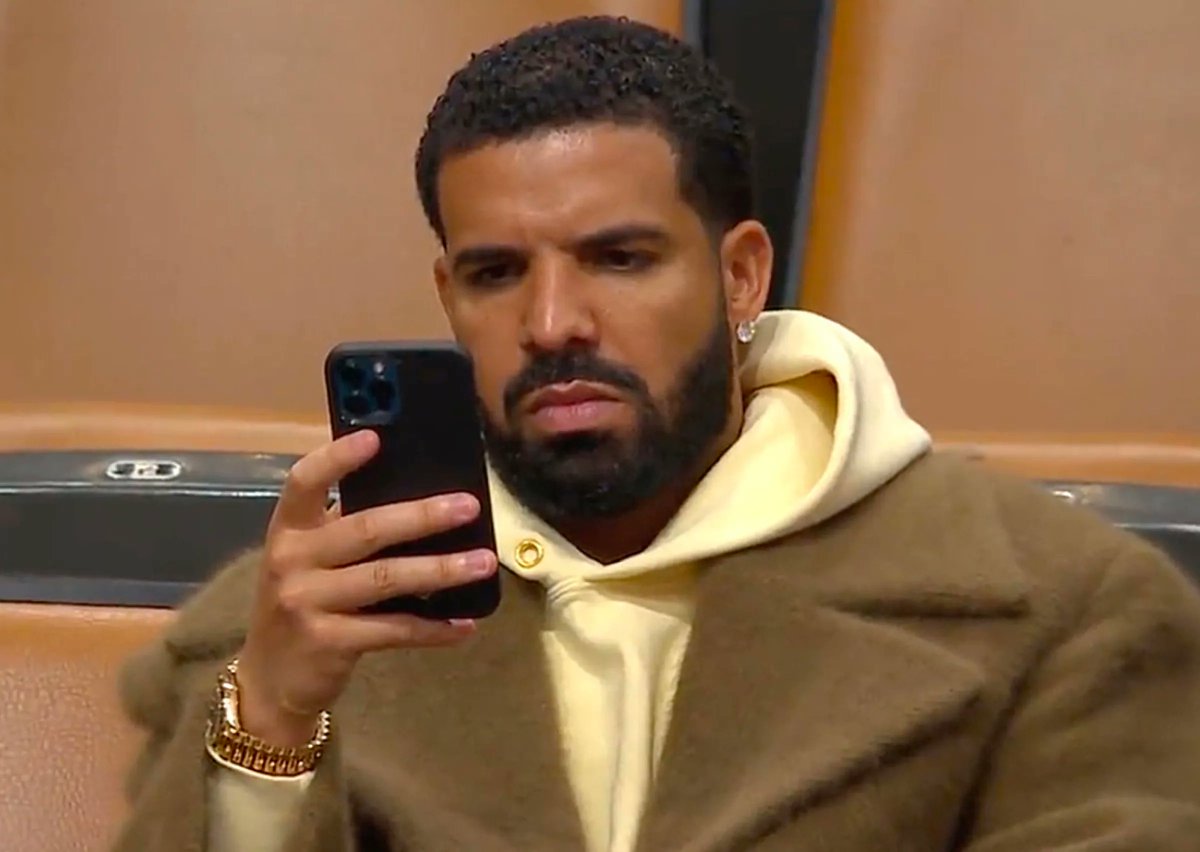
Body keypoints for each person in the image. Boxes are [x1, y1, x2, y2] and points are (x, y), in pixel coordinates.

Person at [111, 15, 1200, 852]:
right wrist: (271, 721)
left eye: (619, 259)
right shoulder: (279, 637)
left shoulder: (1060, 609)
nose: (552, 323)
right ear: (449, 298)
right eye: (497, 273)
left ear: (742, 276)